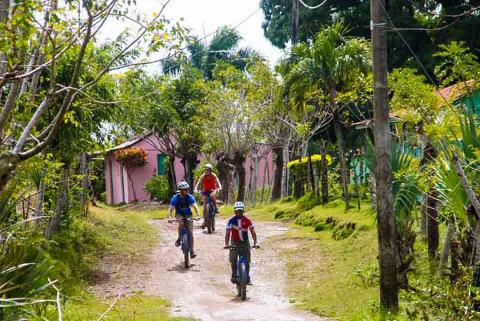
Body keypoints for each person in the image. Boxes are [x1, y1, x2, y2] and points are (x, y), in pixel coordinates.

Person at [224, 201, 257, 284]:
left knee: (247, 260)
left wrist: (255, 243)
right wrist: (227, 244)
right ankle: (234, 275)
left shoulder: (248, 220)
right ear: (234, 211)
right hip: (234, 242)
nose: (239, 212)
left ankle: (248, 277)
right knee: (233, 259)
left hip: (245, 242)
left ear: (243, 211)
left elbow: (252, 231)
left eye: (241, 210)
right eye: (237, 210)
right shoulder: (231, 221)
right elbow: (227, 233)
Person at [168, 181, 200, 258]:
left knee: (190, 232)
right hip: (179, 214)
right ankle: (179, 238)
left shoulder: (190, 197)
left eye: (186, 189)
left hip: (188, 214)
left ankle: (192, 251)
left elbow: (195, 206)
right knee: (181, 223)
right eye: (182, 189)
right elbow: (171, 208)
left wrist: (198, 215)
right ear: (180, 190)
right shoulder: (175, 198)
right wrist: (170, 217)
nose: (184, 191)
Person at [194, 163, 222, 228]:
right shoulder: (203, 176)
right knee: (204, 206)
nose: (206, 171)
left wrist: (220, 187)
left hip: (213, 190)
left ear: (210, 171)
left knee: (212, 196)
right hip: (205, 190)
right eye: (205, 170)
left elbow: (218, 182)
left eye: (207, 170)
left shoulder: (214, 176)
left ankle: (216, 208)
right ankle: (205, 221)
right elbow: (198, 183)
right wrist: (195, 189)